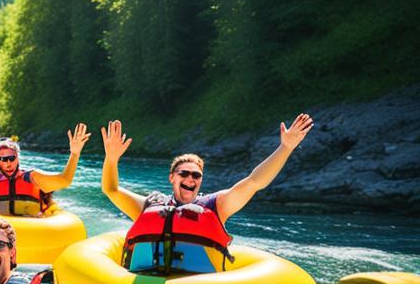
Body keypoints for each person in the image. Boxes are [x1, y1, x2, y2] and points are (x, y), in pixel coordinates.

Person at [100, 114, 315, 275]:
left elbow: (254, 182)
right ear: (172, 178)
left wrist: (285, 148)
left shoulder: (215, 206)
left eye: (196, 175)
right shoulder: (150, 205)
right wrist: (111, 158)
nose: (191, 179)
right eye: (184, 173)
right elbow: (111, 190)